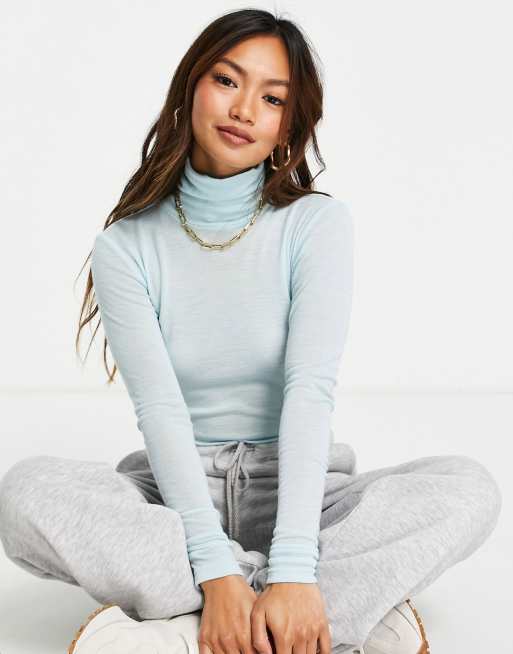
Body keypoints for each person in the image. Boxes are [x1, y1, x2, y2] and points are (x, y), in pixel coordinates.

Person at [0, 8, 502, 654]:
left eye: (272, 99)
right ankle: (306, 617)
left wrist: (293, 564)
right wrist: (214, 565)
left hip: (302, 493)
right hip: (176, 501)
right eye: (227, 81)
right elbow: (160, 411)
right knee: (25, 495)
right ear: (191, 88)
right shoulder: (125, 246)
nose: (243, 109)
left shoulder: (315, 226)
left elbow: (309, 390)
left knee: (467, 490)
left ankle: (204, 625)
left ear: (288, 126)